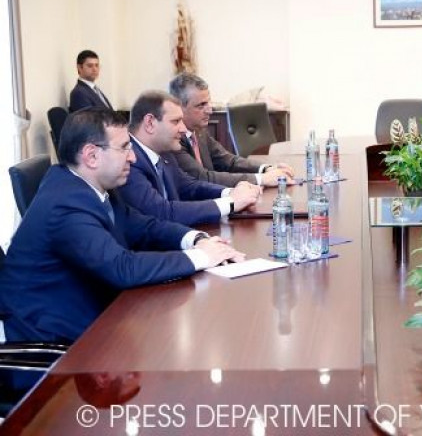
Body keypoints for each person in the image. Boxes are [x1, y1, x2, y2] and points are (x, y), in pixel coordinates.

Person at [0, 109, 245, 343]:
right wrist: (202, 257)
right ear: (91, 156)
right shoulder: (65, 205)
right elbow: (121, 268)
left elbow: (145, 226)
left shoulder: (91, 186)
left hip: (98, 316)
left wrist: (197, 239)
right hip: (59, 341)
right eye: (124, 147)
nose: (133, 157)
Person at [119, 91, 261, 226]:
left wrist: (230, 192)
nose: (183, 129)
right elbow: (162, 212)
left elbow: (189, 186)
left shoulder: (164, 151)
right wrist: (231, 202)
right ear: (150, 123)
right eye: (176, 121)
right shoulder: (128, 161)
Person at [168, 73, 294, 186]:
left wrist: (266, 168)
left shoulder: (199, 131)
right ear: (179, 106)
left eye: (208, 103)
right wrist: (261, 179)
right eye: (201, 105)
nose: (209, 110)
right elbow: (203, 178)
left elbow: (229, 161)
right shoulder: (173, 140)